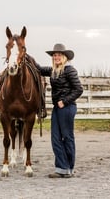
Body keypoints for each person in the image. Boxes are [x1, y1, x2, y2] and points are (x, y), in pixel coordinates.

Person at [35, 43, 83, 178]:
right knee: (55, 138)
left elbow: (79, 89)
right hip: (58, 108)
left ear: (64, 57)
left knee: (67, 137)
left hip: (67, 107)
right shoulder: (53, 70)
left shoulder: (69, 70)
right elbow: (38, 68)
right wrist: (24, 54)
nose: (56, 57)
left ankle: (69, 168)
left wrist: (65, 101)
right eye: (54, 55)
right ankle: (62, 168)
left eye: (59, 55)